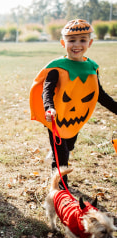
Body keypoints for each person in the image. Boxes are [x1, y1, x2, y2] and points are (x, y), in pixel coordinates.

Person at [30, 19, 117, 189]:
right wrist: (50, 108)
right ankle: (61, 187)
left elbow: (100, 95)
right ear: (63, 43)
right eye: (71, 40)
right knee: (61, 157)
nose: (77, 45)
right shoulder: (57, 68)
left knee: (69, 146)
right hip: (56, 118)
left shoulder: (91, 68)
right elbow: (46, 91)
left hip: (74, 120)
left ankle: (58, 157)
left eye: (82, 40)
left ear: (90, 43)